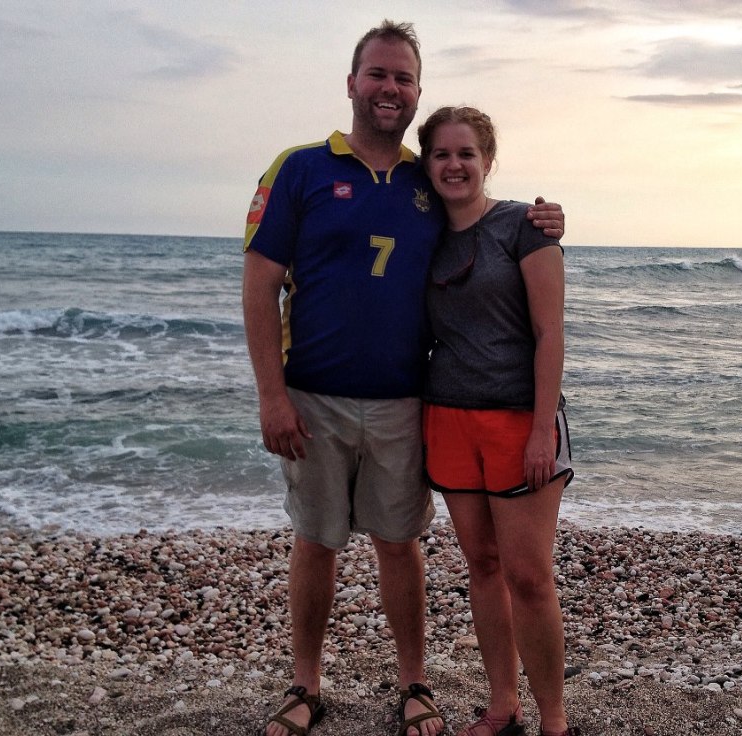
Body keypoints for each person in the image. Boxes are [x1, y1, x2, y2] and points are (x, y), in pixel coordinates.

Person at [242, 21, 565, 736]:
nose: (390, 89)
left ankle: (415, 684)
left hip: (404, 399)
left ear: (417, 91)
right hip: (313, 395)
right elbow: (260, 284)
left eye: (404, 78)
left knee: (400, 544)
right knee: (316, 540)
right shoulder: (297, 169)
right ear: (351, 83)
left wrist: (546, 219)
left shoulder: (425, 177)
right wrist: (271, 396)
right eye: (378, 74)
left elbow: (482, 213)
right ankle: (304, 685)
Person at [418, 106, 578, 736]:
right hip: (449, 418)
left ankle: (555, 719)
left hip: (518, 420)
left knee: (530, 576)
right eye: (440, 155)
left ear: (487, 160)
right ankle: (502, 704)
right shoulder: (424, 233)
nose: (454, 165)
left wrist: (543, 428)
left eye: (466, 154)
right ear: (426, 163)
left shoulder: (525, 227)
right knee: (481, 566)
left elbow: (551, 332)